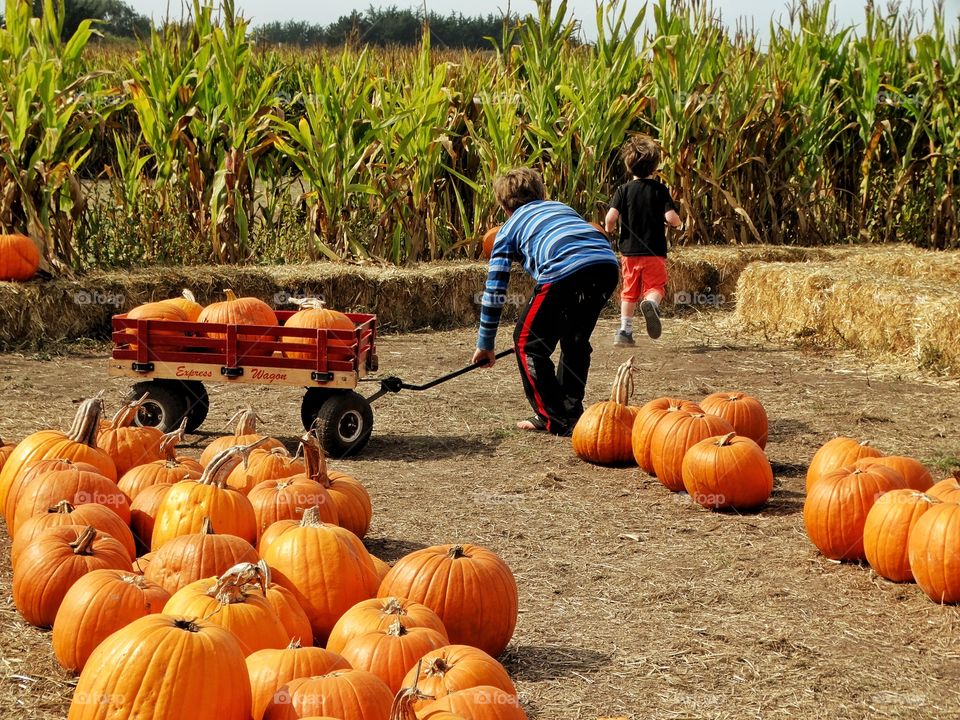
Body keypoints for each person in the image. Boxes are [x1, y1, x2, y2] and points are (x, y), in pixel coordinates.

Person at [472, 167, 619, 435]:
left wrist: (485, 344)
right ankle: (571, 413)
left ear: (505, 207)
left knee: (527, 343)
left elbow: (495, 291)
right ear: (542, 194)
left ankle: (554, 419)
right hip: (606, 265)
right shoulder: (562, 208)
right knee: (575, 339)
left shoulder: (507, 229)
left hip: (565, 270)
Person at [605, 134, 682, 345]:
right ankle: (651, 304)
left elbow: (610, 217)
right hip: (654, 251)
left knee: (628, 292)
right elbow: (671, 218)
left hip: (629, 253)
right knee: (655, 287)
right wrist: (678, 224)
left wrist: (608, 229)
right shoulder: (659, 190)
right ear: (654, 166)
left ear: (629, 166)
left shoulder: (623, 190)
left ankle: (624, 332)